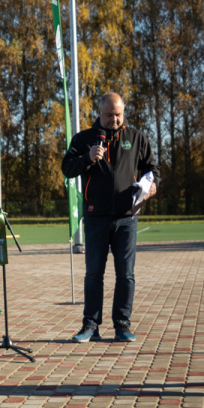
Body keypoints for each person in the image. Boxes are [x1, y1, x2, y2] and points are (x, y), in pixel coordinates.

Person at [62, 92, 160, 343]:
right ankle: (90, 325)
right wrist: (88, 157)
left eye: (118, 115)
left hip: (127, 218)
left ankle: (122, 324)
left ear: (123, 113)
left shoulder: (136, 137)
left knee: (125, 274)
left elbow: (152, 168)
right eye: (109, 115)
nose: (114, 119)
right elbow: (67, 168)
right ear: (99, 113)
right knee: (94, 274)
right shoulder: (84, 139)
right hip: (95, 218)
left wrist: (152, 185)